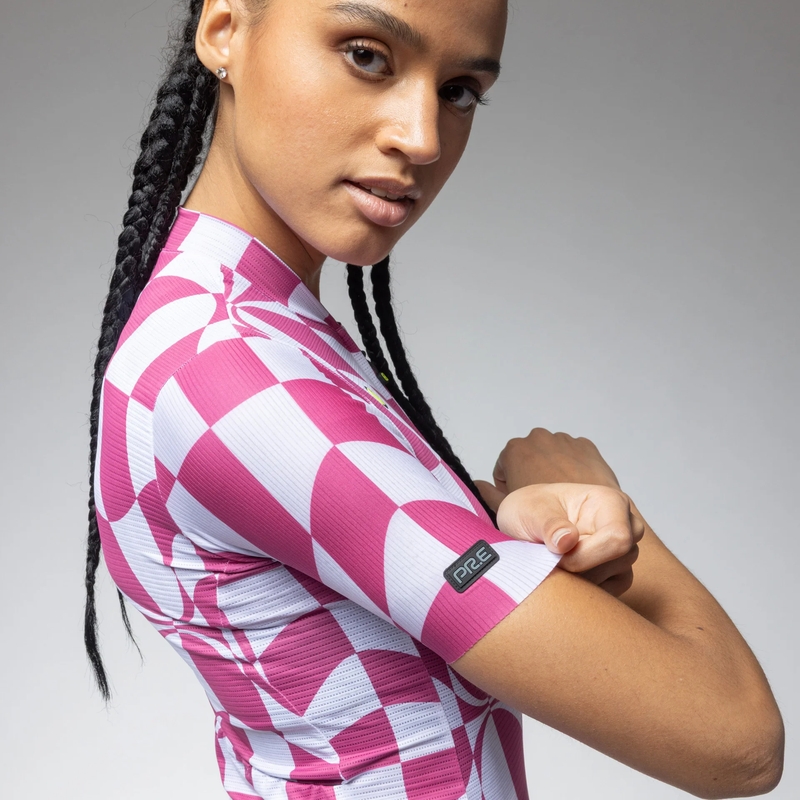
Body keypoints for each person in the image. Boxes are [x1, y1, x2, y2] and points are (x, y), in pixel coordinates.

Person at [84, 1, 784, 798]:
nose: (422, 137)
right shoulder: (231, 374)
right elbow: (735, 742)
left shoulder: (256, 331)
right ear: (224, 29)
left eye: (458, 91)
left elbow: (398, 564)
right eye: (366, 55)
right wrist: (616, 513)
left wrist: (507, 521)